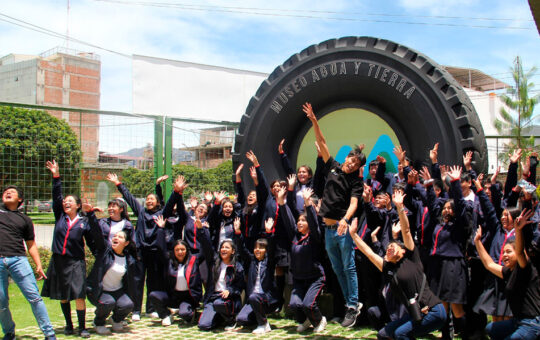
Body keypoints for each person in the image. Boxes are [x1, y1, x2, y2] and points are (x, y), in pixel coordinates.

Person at [350, 190, 447, 340]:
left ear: (402, 251)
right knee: (383, 334)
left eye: (392, 246)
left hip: (433, 311)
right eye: (387, 247)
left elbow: (406, 231)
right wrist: (354, 235)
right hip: (415, 313)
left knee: (400, 334)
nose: (389, 248)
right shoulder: (387, 267)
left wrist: (400, 207)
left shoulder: (412, 259)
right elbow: (369, 253)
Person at [303, 102, 365, 327]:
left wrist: (345, 220)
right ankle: (351, 304)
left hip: (341, 228)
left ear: (359, 167)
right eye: (351, 158)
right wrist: (313, 120)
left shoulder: (356, 182)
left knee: (348, 267)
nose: (352, 162)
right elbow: (321, 141)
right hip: (328, 229)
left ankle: (352, 304)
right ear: (346, 157)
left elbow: (354, 204)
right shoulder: (333, 166)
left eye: (356, 162)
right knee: (338, 270)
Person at [106, 173, 177, 320]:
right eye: (148, 199)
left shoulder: (162, 214)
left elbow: (170, 204)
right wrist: (118, 183)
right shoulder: (141, 212)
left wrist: (176, 191)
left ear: (158, 203)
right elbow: (129, 198)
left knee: (153, 281)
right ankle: (136, 310)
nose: (149, 201)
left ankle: (151, 308)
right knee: (137, 281)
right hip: (140, 252)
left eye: (152, 199)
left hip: (155, 252)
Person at [42, 160, 91, 338]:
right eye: (65, 201)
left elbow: (94, 240)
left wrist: (92, 215)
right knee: (63, 295)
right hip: (59, 261)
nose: (65, 203)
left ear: (78, 205)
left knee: (78, 294)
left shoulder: (84, 222)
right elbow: (56, 195)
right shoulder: (60, 216)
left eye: (70, 201)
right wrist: (56, 175)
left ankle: (82, 327)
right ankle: (69, 325)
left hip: (76, 262)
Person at [0, 185, 56, 340]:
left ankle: (49, 334)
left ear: (20, 199)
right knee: (1, 301)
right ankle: (9, 332)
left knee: (34, 298)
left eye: (12, 192)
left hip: (19, 260)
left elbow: (31, 244)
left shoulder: (25, 219)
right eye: (5, 191)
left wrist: (38, 264)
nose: (8, 192)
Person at [474, 210, 540, 340]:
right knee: (491, 329)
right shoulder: (509, 272)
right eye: (503, 252)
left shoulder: (526, 269)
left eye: (509, 252)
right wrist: (478, 242)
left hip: (533, 323)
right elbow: (489, 265)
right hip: (518, 321)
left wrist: (518, 230)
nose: (504, 255)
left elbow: (521, 252)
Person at [84, 200, 136, 335]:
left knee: (128, 304)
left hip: (116, 291)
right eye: (115, 236)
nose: (116, 238)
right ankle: (98, 322)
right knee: (108, 302)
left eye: (120, 237)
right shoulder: (105, 252)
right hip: (99, 291)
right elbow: (96, 233)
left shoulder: (128, 258)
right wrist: (90, 213)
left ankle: (116, 320)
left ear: (126, 243)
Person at [279, 186, 327, 333]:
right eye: (298, 221)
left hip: (315, 277)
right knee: (294, 304)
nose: (299, 223)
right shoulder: (295, 236)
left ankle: (319, 320)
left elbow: (314, 222)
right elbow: (287, 219)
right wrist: (281, 201)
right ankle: (305, 320)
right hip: (299, 278)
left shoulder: (314, 236)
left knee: (308, 304)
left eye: (303, 221)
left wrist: (307, 203)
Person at [150, 206, 205, 326]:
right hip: (173, 296)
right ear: (173, 252)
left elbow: (206, 248)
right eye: (177, 250)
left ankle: (192, 312)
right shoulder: (169, 261)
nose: (180, 252)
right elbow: (160, 247)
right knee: (154, 295)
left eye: (182, 249)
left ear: (187, 250)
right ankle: (166, 314)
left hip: (187, 297)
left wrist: (201, 230)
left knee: (185, 315)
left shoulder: (193, 260)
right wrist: (160, 229)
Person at [235, 217, 278, 334]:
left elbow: (273, 248)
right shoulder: (252, 261)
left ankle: (263, 324)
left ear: (266, 250)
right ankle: (258, 318)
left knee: (254, 297)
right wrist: (238, 233)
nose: (257, 250)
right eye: (255, 247)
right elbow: (242, 249)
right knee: (241, 319)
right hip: (253, 299)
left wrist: (269, 233)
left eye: (261, 248)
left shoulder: (269, 262)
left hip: (266, 299)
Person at [198, 227, 245, 331]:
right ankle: (219, 317)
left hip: (228, 300)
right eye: (222, 247)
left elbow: (240, 286)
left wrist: (230, 290)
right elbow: (207, 246)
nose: (223, 249)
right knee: (204, 325)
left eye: (227, 248)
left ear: (233, 251)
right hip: (213, 297)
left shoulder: (237, 267)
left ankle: (231, 319)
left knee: (219, 304)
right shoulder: (214, 262)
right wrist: (201, 230)